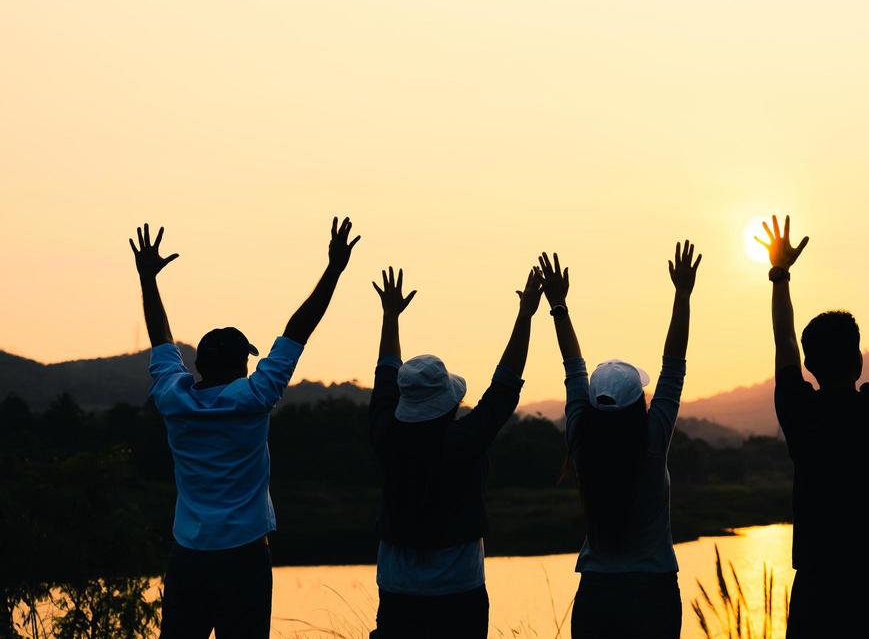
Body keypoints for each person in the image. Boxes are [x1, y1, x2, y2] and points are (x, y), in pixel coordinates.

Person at [136, 217, 360, 639]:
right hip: (244, 558)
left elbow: (160, 339)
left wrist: (147, 279)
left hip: (189, 555)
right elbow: (298, 331)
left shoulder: (172, 398)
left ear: (198, 365)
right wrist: (334, 269)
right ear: (243, 364)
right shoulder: (255, 397)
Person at [756, 205, 869, 639]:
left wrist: (779, 274)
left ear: (810, 364)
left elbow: (783, 339)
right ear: (859, 359)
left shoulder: (799, 410)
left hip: (818, 591)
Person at [368, 262, 544, 638]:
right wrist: (525, 315)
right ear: (449, 403)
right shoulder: (465, 440)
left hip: (398, 588)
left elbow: (385, 374)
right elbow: (504, 387)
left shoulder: (385, 434)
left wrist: (389, 316)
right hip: (459, 589)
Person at [547, 242, 699, 639]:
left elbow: (572, 368)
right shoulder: (652, 440)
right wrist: (682, 295)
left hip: (598, 591)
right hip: (653, 591)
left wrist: (559, 306)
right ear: (640, 404)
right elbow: (674, 367)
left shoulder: (582, 440)